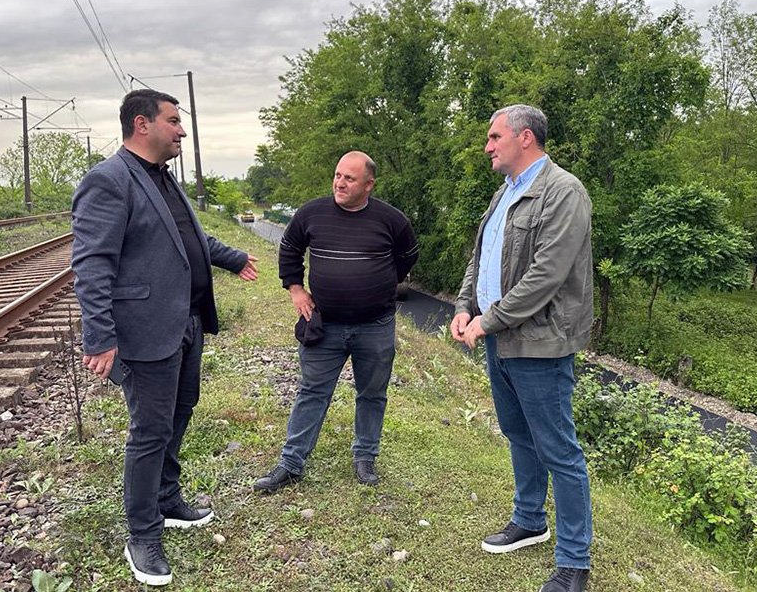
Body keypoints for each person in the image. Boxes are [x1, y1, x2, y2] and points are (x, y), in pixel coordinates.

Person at [71, 89, 258, 587]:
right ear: (142, 124)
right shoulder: (109, 180)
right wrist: (99, 337)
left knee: (180, 411)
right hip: (145, 329)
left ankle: (167, 499)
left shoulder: (162, 176)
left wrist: (233, 257)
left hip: (185, 322)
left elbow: (187, 238)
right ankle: (142, 534)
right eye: (173, 121)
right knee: (150, 431)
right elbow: (91, 264)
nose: (181, 130)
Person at [449, 104, 593, 592]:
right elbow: (480, 259)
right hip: (500, 337)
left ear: (525, 137)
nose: (487, 146)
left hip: (540, 342)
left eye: (494, 137)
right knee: (518, 433)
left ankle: (574, 562)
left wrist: (487, 320)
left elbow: (545, 277)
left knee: (558, 449)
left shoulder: (564, 191)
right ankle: (530, 520)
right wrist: (464, 306)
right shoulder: (505, 193)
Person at [253, 151, 418, 492]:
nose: (339, 183)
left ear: (369, 185)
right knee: (312, 391)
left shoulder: (392, 220)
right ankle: (291, 463)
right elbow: (290, 248)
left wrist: (379, 283)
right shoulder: (311, 213)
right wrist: (296, 289)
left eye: (349, 178)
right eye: (338, 175)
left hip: (375, 326)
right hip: (323, 323)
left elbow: (407, 256)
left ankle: (365, 457)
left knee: (372, 394)